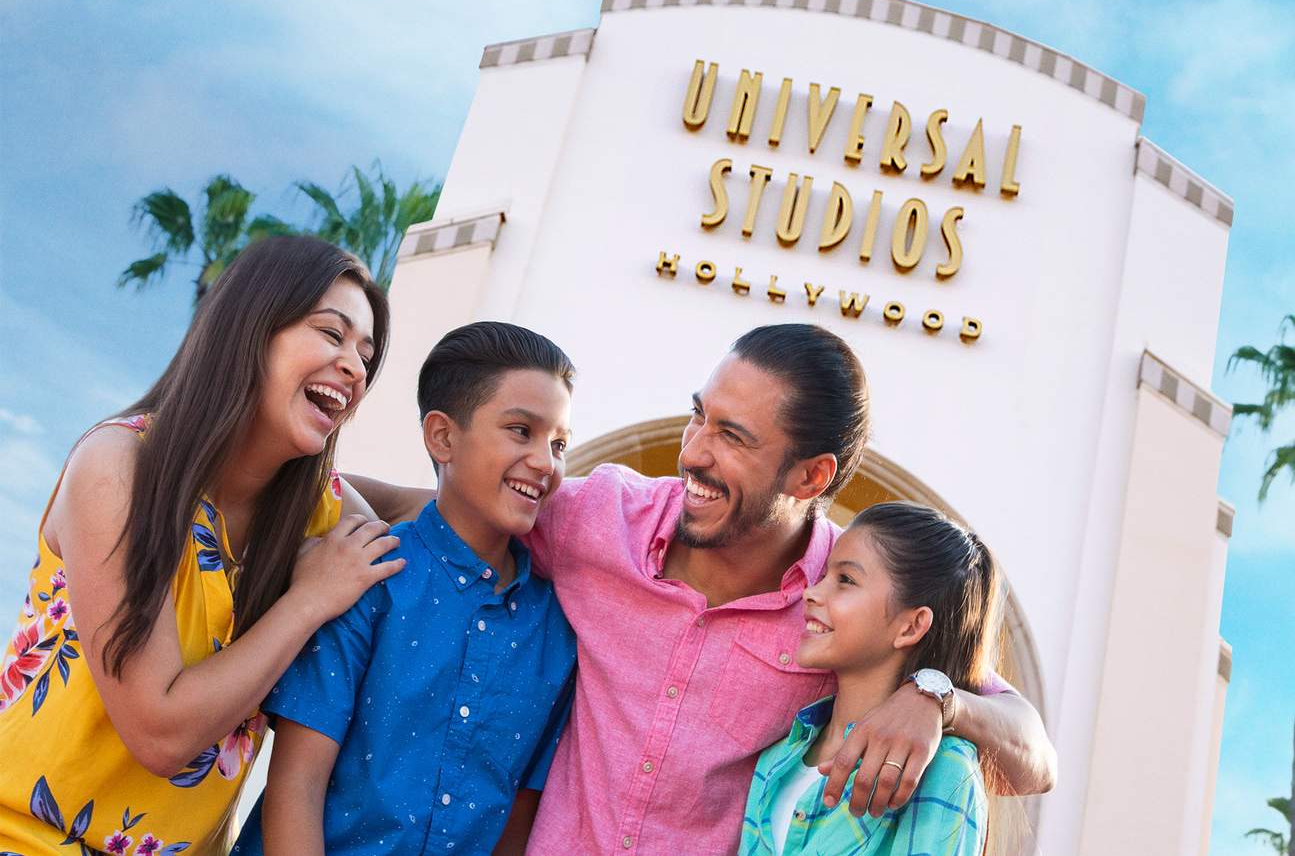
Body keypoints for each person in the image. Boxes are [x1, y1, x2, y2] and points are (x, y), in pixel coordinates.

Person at [352, 322, 1057, 854]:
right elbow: (439, 509)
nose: (693, 452)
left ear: (810, 477)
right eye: (698, 416)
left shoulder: (837, 606)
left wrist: (939, 700)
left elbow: (1034, 759)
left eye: (732, 436)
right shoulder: (597, 519)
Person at [0, 236, 406, 854]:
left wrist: (565, 490)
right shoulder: (119, 467)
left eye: (366, 355)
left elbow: (449, 517)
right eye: (331, 333)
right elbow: (159, 733)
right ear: (250, 329)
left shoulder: (314, 507)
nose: (355, 368)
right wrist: (308, 600)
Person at [235, 322, 578, 856]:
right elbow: (295, 787)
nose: (545, 462)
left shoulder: (557, 630)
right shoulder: (366, 573)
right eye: (520, 430)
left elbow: (517, 823)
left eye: (559, 443)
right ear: (443, 437)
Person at [741, 502, 1001, 855]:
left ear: (911, 626)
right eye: (824, 576)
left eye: (845, 580)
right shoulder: (778, 758)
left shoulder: (943, 767)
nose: (812, 593)